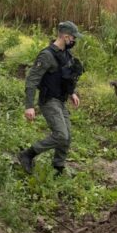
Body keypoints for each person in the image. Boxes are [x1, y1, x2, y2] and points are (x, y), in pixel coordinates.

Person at [17, 21, 85, 176]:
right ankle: (28, 154)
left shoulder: (66, 55)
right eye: (73, 38)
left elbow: (66, 76)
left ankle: (58, 167)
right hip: (49, 101)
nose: (74, 41)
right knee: (61, 135)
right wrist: (29, 106)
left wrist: (72, 92)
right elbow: (31, 80)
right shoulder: (47, 56)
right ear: (66, 37)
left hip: (61, 100)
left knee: (67, 137)